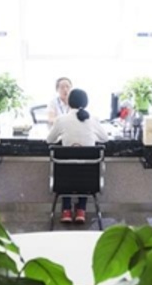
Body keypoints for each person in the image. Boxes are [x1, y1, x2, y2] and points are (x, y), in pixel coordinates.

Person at [46, 88, 109, 224]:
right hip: (90, 181)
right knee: (84, 166)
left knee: (68, 167)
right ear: (86, 103)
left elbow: (49, 140)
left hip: (63, 181)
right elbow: (105, 139)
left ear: (69, 102)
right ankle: (81, 210)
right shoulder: (93, 119)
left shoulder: (61, 120)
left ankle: (66, 210)